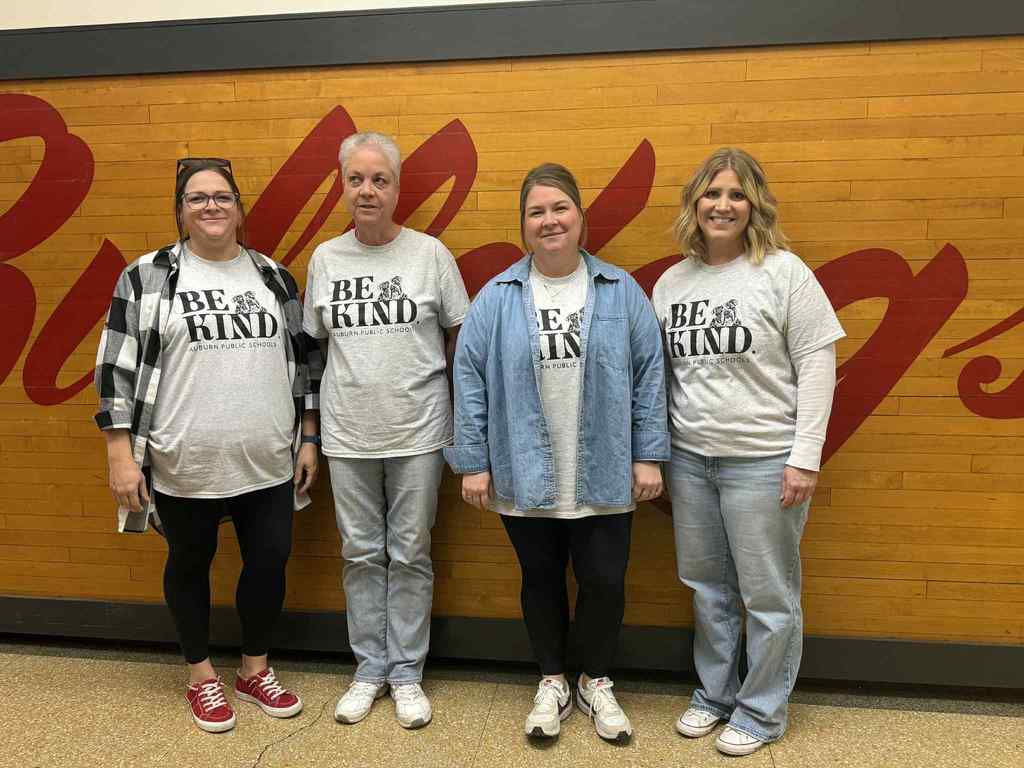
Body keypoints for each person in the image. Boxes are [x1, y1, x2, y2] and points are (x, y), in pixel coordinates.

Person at [95, 157, 321, 733]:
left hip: (268, 460)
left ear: (240, 208)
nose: (211, 206)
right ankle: (201, 677)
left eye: (222, 196)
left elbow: (304, 367)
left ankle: (254, 670)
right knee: (189, 567)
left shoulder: (273, 277)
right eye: (197, 198)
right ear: (180, 212)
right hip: (183, 462)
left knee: (268, 565)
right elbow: (116, 370)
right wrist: (120, 455)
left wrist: (309, 439)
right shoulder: (146, 277)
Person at [445, 163, 669, 743]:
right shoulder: (496, 297)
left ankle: (595, 681)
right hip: (524, 470)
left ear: (581, 217)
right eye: (536, 211)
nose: (549, 220)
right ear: (523, 225)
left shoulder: (622, 291)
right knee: (539, 579)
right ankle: (551, 681)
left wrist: (647, 455)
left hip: (606, 468)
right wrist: (473, 462)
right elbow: (468, 379)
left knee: (604, 581)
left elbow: (649, 375)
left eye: (559, 208)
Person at [652, 147, 845, 756]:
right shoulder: (671, 282)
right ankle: (714, 696)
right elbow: (659, 377)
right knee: (707, 586)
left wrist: (804, 456)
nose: (723, 205)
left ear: (754, 204)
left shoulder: (785, 272)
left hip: (763, 461)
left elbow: (818, 363)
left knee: (767, 594)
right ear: (695, 205)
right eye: (712, 194)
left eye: (736, 194)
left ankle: (761, 712)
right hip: (691, 460)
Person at [303, 131, 470, 729]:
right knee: (361, 554)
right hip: (347, 437)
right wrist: (310, 432)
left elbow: (464, 339)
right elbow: (312, 353)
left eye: (379, 179)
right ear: (342, 186)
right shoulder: (325, 259)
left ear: (397, 188)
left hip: (420, 433)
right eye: (356, 179)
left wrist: (464, 422)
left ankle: (406, 674)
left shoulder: (430, 255)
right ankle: (368, 669)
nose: (367, 190)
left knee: (410, 552)